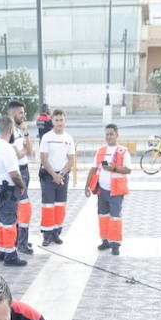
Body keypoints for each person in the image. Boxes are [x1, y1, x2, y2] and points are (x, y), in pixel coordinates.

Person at [85, 123, 130, 255]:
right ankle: (105, 241)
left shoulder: (123, 151)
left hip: (116, 191)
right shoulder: (100, 151)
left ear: (117, 135)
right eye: (107, 134)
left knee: (115, 217)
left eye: (111, 134)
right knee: (103, 216)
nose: (109, 137)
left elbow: (128, 170)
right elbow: (93, 169)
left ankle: (115, 244)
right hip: (101, 190)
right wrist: (87, 186)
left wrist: (113, 168)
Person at [0, 116, 26, 267]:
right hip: (8, 190)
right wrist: (22, 185)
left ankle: (2, 251)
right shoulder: (7, 148)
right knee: (10, 222)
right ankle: (10, 255)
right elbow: (14, 173)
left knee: (1, 222)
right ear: (11, 130)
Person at [38, 109, 75, 246]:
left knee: (60, 206)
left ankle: (56, 234)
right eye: (56, 120)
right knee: (48, 206)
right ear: (52, 121)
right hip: (48, 176)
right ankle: (47, 235)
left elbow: (71, 160)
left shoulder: (68, 138)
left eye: (61, 120)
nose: (59, 123)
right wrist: (54, 175)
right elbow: (44, 159)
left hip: (62, 176)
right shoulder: (47, 137)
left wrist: (61, 175)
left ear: (65, 121)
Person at [6, 99, 36, 257]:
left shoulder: (18, 130)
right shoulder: (9, 132)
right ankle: (21, 243)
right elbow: (17, 155)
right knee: (24, 209)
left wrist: (26, 134)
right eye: (21, 113)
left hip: (24, 171)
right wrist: (24, 149)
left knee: (21, 208)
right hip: (18, 173)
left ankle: (20, 240)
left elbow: (29, 150)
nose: (23, 115)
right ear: (12, 113)